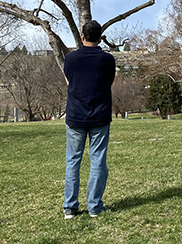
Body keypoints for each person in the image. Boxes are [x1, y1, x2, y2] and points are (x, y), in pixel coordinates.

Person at [62, 20, 116, 219]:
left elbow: (69, 78)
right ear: (100, 37)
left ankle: (70, 207)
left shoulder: (70, 58)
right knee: (98, 161)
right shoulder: (107, 60)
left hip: (75, 115)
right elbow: (109, 81)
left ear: (82, 37)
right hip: (100, 115)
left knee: (73, 161)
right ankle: (94, 206)